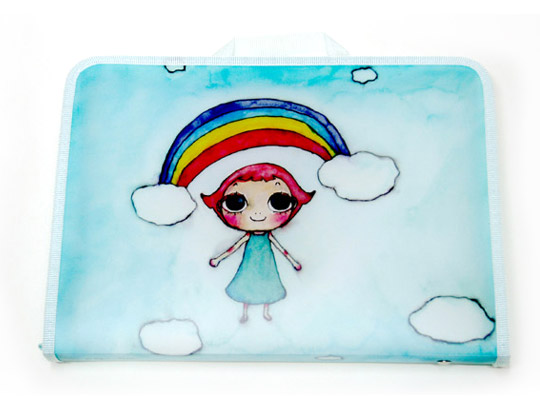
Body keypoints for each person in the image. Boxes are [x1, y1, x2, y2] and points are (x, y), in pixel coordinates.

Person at [201, 163, 314, 323]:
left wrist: (293, 262)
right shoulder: (250, 236)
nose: (258, 213)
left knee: (268, 282)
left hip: (266, 264)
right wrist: (218, 258)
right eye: (236, 203)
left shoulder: (268, 236)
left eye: (279, 202)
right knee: (246, 282)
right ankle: (245, 311)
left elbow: (281, 249)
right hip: (250, 263)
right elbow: (234, 248)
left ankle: (265, 311)